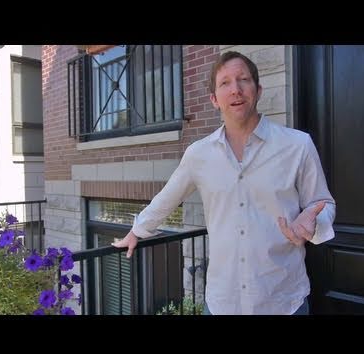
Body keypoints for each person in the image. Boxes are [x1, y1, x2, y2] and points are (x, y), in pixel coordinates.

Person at [112, 51, 336, 315]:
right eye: (225, 83)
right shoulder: (199, 154)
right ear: (214, 99)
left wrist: (313, 226)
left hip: (284, 300)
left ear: (258, 89)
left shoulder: (298, 145)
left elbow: (322, 204)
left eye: (243, 79)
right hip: (222, 303)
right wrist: (137, 230)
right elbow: (167, 198)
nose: (236, 90)